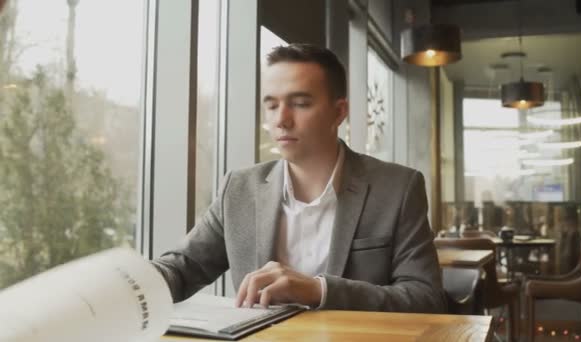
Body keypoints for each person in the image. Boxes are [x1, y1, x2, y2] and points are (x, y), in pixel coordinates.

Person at [153, 43, 446, 313]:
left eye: (301, 103)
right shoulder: (240, 189)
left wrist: (319, 291)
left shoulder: (398, 188)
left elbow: (426, 298)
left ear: (339, 112)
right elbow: (182, 267)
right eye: (271, 105)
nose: (281, 119)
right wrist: (126, 282)